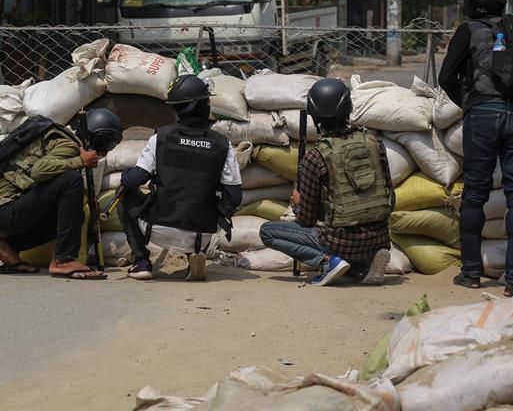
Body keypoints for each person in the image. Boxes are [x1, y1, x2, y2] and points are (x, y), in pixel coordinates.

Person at [439, 0, 513, 297]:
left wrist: (469, 102)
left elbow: (446, 77)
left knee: (475, 193)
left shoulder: (468, 31)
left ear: (471, 7)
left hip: (483, 115)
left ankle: (471, 273)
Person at [259, 78, 392, 286]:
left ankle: (328, 261)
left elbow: (306, 219)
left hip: (340, 241)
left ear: (315, 117)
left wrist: (298, 203)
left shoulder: (316, 156)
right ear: (348, 109)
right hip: (379, 237)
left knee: (267, 232)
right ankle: (365, 263)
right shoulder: (375, 144)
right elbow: (390, 195)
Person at [118, 75, 242, 281]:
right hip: (201, 235)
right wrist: (214, 214)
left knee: (125, 195)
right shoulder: (223, 144)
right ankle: (194, 256)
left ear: (177, 108)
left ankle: (141, 262)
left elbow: (135, 179)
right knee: (200, 200)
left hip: (157, 229)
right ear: (202, 105)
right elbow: (234, 196)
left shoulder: (160, 138)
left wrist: (125, 176)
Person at [0, 109, 122, 279]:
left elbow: (51, 185)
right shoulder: (69, 145)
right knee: (72, 180)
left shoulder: (59, 140)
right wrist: (80, 161)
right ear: (99, 138)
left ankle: (6, 246)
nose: (105, 150)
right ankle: (64, 260)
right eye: (108, 144)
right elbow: (39, 171)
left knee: (76, 213)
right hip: (2, 212)